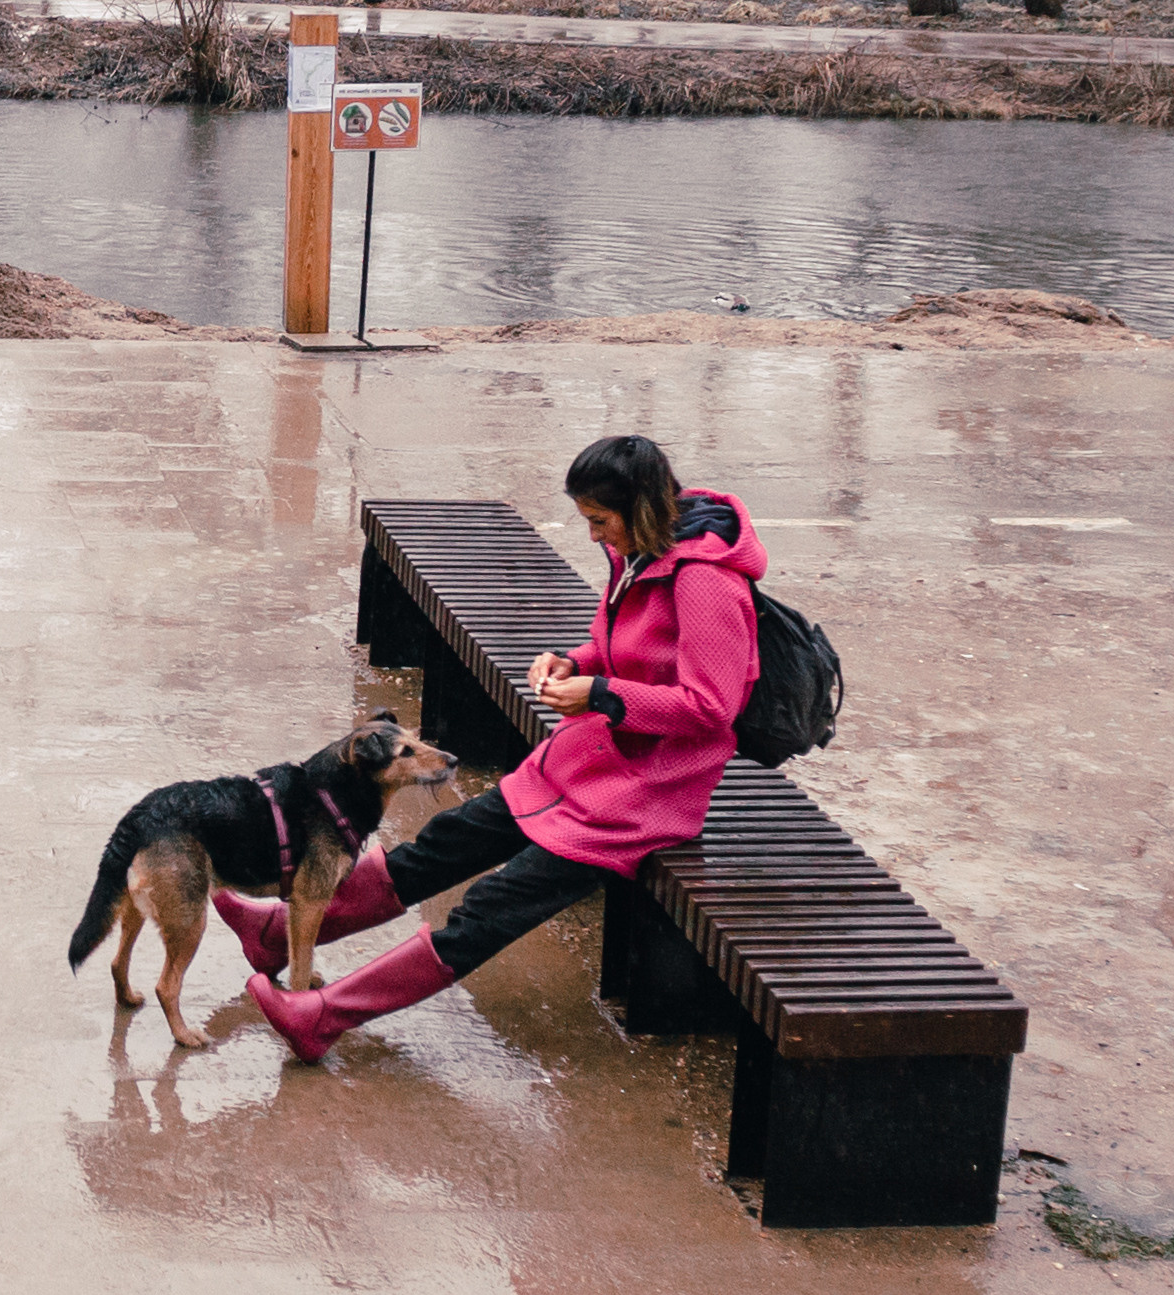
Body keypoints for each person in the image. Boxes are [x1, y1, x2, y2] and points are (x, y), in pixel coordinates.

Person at [219, 434, 766, 1063]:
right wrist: (573, 662)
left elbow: (712, 708)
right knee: (446, 841)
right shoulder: (644, 548)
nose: (593, 537)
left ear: (640, 507)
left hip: (644, 797)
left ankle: (323, 1017)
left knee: (489, 908)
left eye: (599, 521)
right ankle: (273, 934)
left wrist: (603, 694)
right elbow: (629, 651)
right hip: (588, 762)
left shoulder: (706, 582)